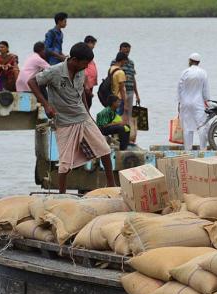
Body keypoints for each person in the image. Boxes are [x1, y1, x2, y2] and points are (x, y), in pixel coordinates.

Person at [28, 42, 116, 194]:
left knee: (104, 149)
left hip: (82, 117)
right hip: (65, 121)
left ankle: (112, 186)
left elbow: (81, 92)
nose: (86, 66)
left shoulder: (81, 71)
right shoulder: (54, 71)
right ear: (74, 60)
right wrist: (46, 105)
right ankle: (62, 194)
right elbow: (32, 82)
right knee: (65, 163)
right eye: (85, 63)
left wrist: (88, 113)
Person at [177, 52, 210, 151]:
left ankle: (188, 149)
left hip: (185, 103)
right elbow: (205, 90)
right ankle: (203, 148)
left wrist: (179, 102)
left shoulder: (185, 72)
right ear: (199, 62)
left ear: (190, 61)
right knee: (202, 125)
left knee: (187, 127)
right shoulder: (203, 73)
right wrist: (207, 102)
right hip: (198, 102)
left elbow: (179, 88)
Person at [118, 42, 139, 130]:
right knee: (119, 113)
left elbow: (133, 79)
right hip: (119, 92)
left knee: (128, 114)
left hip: (130, 91)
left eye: (128, 52)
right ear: (120, 50)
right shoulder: (116, 62)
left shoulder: (131, 63)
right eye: (125, 52)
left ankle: (127, 134)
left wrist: (137, 94)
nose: (126, 53)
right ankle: (117, 134)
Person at [83, 35, 97, 109]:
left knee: (88, 103)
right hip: (86, 84)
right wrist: (86, 86)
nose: (93, 46)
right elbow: (84, 70)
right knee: (86, 103)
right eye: (93, 44)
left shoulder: (89, 54)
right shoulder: (84, 54)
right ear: (88, 43)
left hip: (90, 84)